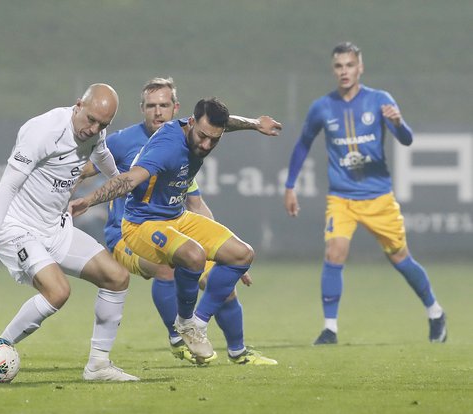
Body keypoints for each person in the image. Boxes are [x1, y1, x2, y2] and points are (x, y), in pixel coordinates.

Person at [82, 77, 281, 365]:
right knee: (170, 266)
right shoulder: (142, 143)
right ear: (142, 108)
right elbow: (108, 174)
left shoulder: (195, 140)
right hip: (131, 230)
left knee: (232, 263)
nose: (158, 111)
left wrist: (253, 124)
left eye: (163, 105)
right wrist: (80, 198)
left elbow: (196, 201)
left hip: (176, 220)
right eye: (151, 106)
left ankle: (233, 348)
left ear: (176, 109)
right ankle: (179, 337)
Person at [0, 83, 139, 381]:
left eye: (102, 124)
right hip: (18, 228)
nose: (93, 129)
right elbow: (9, 184)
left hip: (55, 227)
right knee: (58, 291)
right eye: (91, 119)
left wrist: (120, 180)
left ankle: (98, 366)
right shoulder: (43, 131)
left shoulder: (97, 131)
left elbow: (102, 153)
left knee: (117, 277)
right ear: (78, 104)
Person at [283, 42, 447, 345]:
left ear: (360, 68)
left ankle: (435, 312)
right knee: (334, 253)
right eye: (338, 66)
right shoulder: (322, 106)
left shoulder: (379, 100)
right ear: (334, 70)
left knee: (400, 258)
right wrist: (290, 185)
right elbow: (303, 143)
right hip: (341, 198)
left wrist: (398, 123)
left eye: (349, 65)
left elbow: (406, 140)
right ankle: (330, 328)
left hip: (378, 197)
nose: (344, 71)